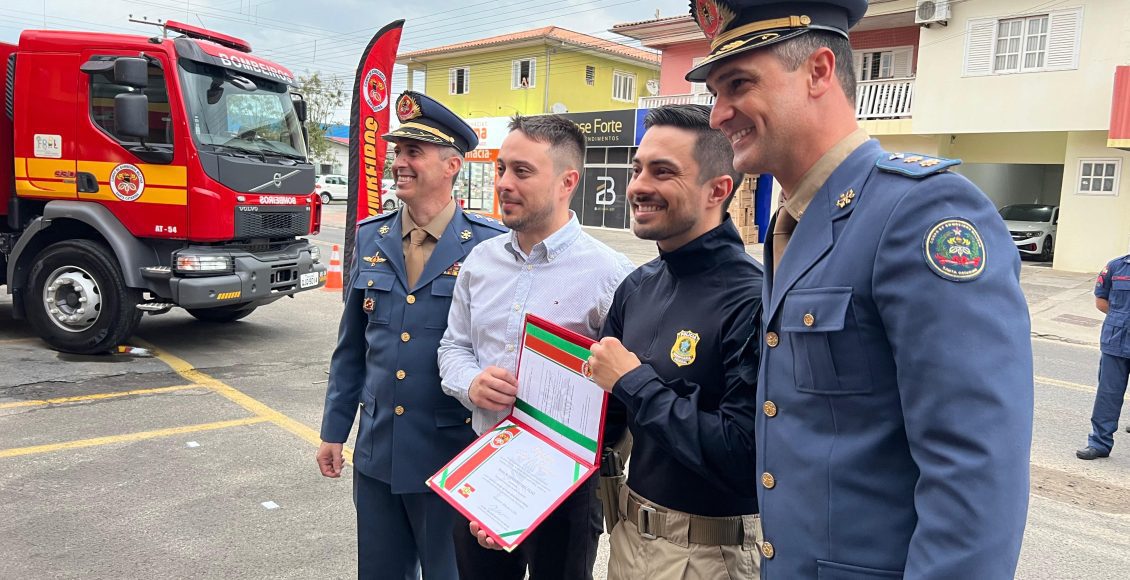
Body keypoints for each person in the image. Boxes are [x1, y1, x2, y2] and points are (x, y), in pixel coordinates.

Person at [688, 0, 1034, 577]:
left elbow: (975, 471)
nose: (719, 114)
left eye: (738, 85)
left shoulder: (920, 211)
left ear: (820, 71)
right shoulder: (795, 221)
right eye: (715, 93)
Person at [316, 91, 506, 580]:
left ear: (451, 166)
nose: (398, 162)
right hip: (378, 451)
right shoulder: (371, 235)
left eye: (412, 153)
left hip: (452, 455)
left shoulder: (488, 247)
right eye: (397, 152)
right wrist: (334, 431)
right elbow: (352, 348)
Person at [437, 114, 635, 580]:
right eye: (502, 168)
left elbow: (627, 384)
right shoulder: (479, 261)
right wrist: (471, 382)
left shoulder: (610, 275)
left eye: (522, 172)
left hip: (567, 485)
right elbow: (453, 347)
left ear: (568, 181)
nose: (504, 183)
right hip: (485, 465)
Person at [586, 104, 764, 580]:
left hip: (711, 556)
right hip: (628, 539)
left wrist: (635, 382)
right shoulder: (639, 285)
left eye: (663, 172)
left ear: (717, 190)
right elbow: (602, 423)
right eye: (638, 168)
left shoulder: (753, 299)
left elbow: (744, 456)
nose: (639, 185)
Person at [1077, 254, 1130, 459]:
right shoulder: (1116, 267)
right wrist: (1121, 318)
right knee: (1108, 395)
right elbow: (1101, 301)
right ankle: (1099, 443)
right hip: (1115, 342)